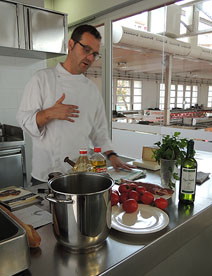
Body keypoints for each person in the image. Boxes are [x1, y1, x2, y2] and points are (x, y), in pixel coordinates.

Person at [17, 24, 134, 185]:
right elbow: (24, 121)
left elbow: (99, 131)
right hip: (45, 176)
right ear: (71, 45)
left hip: (79, 175)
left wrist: (112, 156)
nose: (90, 58)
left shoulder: (91, 90)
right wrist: (49, 113)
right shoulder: (42, 79)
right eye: (86, 50)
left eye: (95, 54)